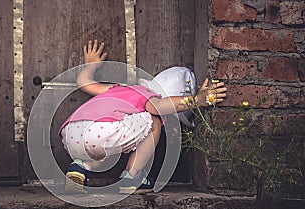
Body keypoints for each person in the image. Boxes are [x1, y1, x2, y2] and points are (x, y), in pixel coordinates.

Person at [60, 40, 227, 194]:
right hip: (103, 131)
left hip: (71, 135)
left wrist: (91, 66)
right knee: (154, 121)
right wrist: (197, 100)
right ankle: (131, 178)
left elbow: (84, 83)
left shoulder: (119, 89)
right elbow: (158, 107)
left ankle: (80, 168)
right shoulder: (147, 96)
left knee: (101, 152)